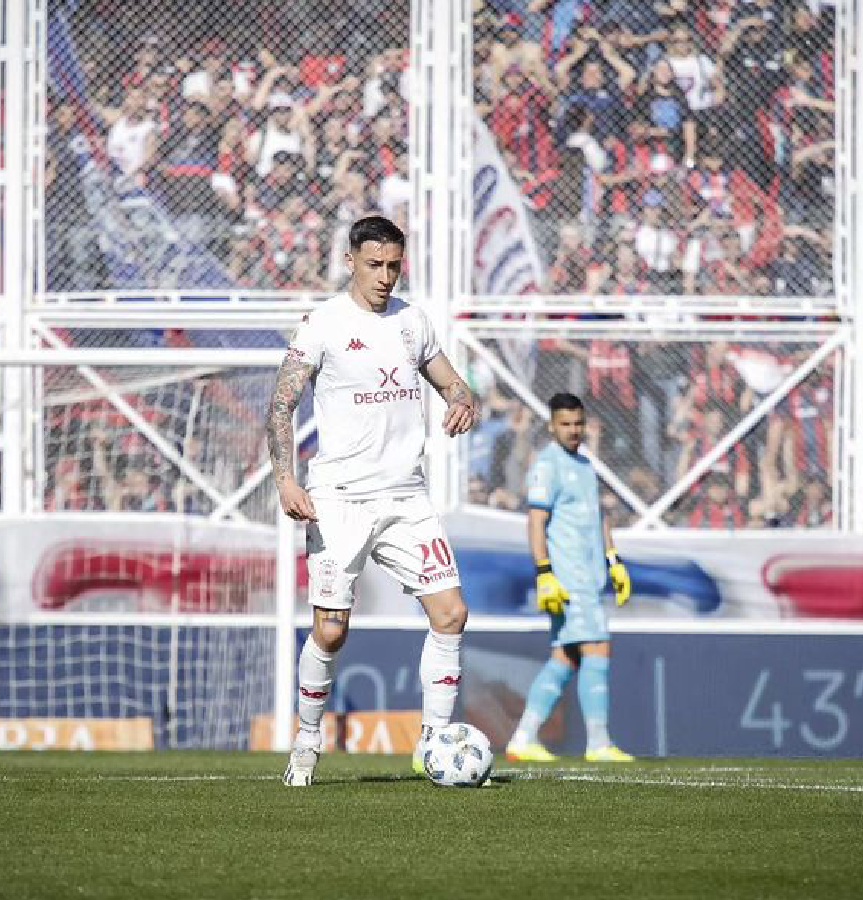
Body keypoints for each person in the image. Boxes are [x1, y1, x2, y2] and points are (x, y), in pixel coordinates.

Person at [267, 215, 479, 786]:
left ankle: (434, 744)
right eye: (374, 265)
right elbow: (282, 404)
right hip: (338, 500)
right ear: (351, 262)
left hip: (407, 499)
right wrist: (286, 480)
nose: (385, 277)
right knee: (332, 629)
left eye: (393, 266)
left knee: (451, 613)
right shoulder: (323, 325)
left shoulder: (413, 322)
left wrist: (464, 398)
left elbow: (452, 381)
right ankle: (307, 743)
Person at [505, 393, 636, 763]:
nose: (573, 430)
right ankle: (598, 743)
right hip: (568, 577)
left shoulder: (584, 464)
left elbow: (599, 517)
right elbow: (536, 522)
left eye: (578, 424)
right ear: (552, 425)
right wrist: (545, 573)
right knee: (597, 648)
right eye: (565, 424)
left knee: (566, 658)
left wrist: (614, 560)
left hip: (590, 575)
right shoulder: (547, 466)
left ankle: (522, 738)